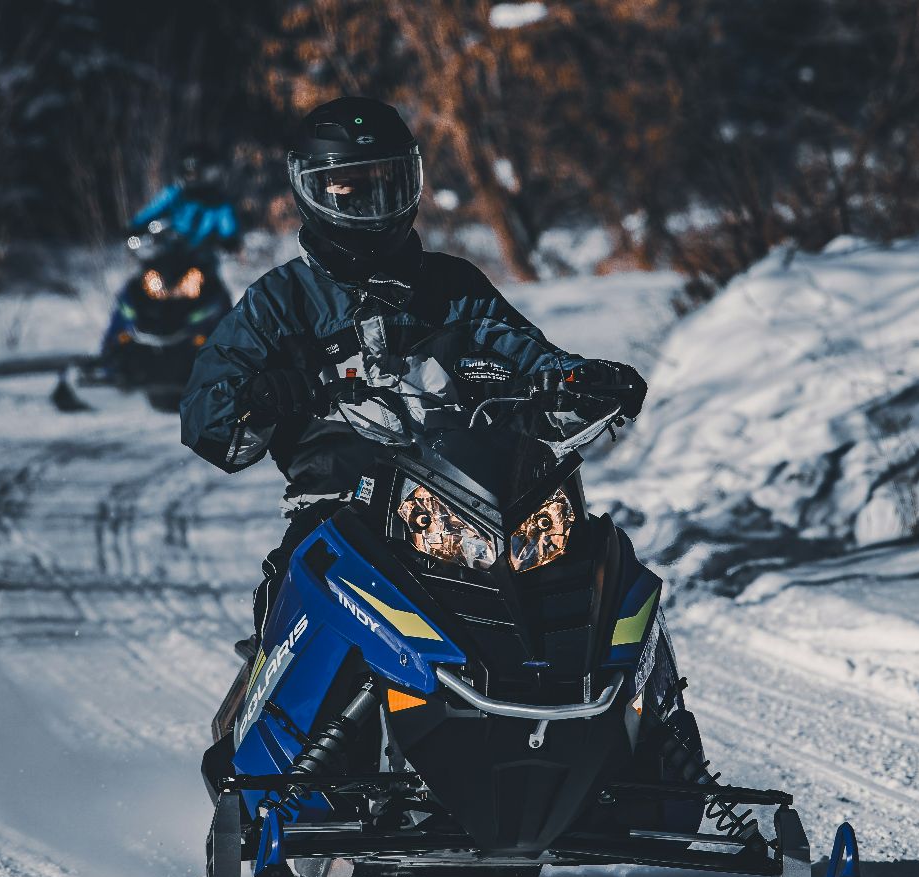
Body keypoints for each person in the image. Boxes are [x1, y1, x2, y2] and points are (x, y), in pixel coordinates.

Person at [179, 96, 646, 644]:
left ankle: (647, 716)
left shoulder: (453, 287)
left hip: (474, 504)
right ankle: (273, 718)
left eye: (387, 183)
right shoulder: (280, 301)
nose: (372, 204)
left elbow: (525, 352)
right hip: (345, 511)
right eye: (349, 188)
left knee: (602, 569)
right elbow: (208, 414)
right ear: (311, 190)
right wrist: (258, 396)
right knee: (296, 591)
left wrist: (579, 382)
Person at [130, 144, 242, 258]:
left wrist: (230, 241)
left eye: (194, 172)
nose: (190, 176)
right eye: (187, 172)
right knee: (145, 274)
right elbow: (153, 210)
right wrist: (133, 227)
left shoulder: (218, 203)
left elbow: (227, 226)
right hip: (169, 254)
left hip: (201, 259)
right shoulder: (175, 194)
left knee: (209, 274)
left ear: (209, 173)